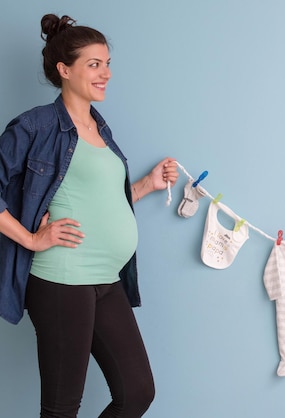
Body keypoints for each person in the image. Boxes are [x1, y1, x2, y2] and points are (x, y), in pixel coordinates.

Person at [0, 14, 179, 417]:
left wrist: (147, 185)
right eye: (94, 64)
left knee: (137, 393)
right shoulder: (36, 126)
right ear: (64, 70)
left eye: (107, 63)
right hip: (63, 280)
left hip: (106, 280)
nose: (106, 74)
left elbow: (96, 200)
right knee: (62, 409)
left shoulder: (100, 128)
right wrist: (30, 239)